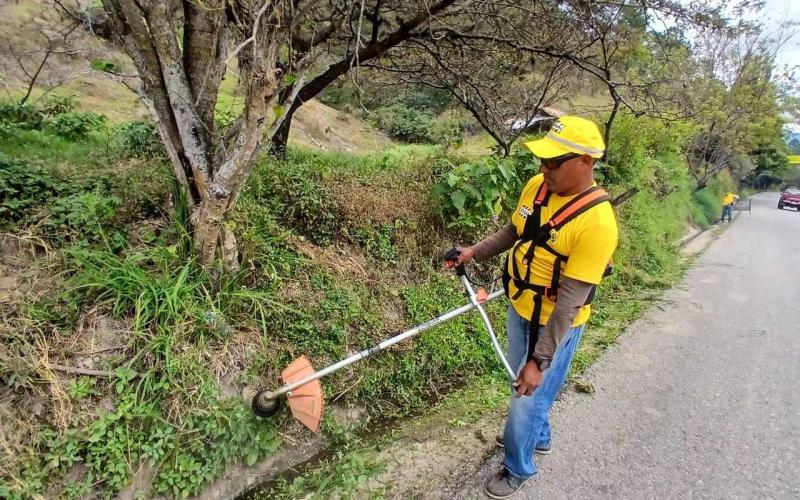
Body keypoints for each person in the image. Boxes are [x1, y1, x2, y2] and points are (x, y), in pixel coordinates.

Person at [446, 116, 618, 498]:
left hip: (555, 325)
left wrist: (539, 362)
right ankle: (537, 437)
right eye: (543, 159)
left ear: (586, 162)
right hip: (519, 306)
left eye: (554, 162)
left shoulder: (598, 224)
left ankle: (517, 466)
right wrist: (474, 251)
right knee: (524, 388)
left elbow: (569, 306)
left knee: (525, 396)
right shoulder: (538, 187)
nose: (544, 168)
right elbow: (514, 231)